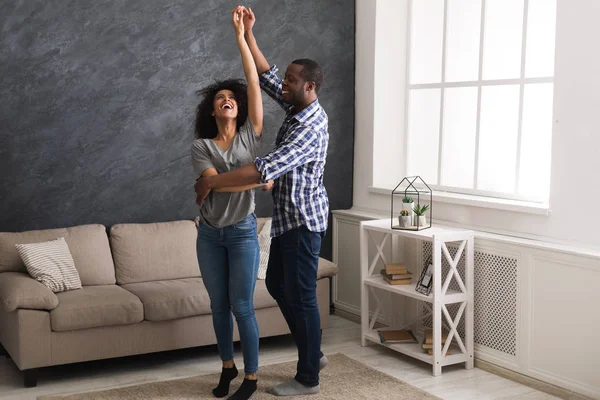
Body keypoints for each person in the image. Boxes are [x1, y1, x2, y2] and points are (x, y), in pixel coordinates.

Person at [195, 6, 329, 397]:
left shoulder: (308, 126)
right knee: (276, 283)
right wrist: (249, 35)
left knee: (302, 294)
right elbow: (265, 79)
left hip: (304, 220)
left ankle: (308, 376)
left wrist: (212, 184)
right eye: (286, 79)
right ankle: (313, 350)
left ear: (310, 87)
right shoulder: (297, 104)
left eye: (292, 81)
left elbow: (260, 171)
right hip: (287, 219)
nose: (283, 84)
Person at [191, 7, 272, 400]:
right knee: (218, 307)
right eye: (219, 98)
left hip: (242, 233)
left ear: (239, 108)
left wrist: (241, 36)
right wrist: (256, 178)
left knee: (242, 306)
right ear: (212, 110)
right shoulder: (201, 146)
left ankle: (252, 378)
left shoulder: (250, 136)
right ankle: (227, 368)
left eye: (231, 98)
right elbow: (211, 184)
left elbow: (253, 80)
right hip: (209, 235)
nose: (226, 100)